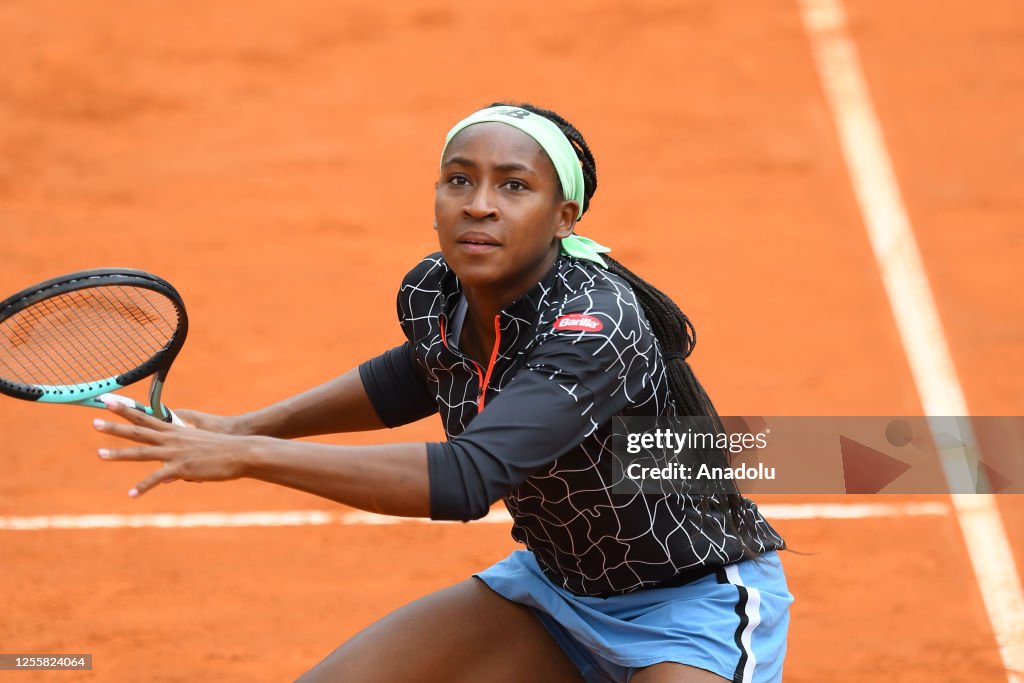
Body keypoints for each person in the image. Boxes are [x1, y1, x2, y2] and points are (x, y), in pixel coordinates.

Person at [94, 102, 793, 682]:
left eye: (513, 186)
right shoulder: (435, 288)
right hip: (555, 593)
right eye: (459, 180)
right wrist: (244, 426)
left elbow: (465, 479)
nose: (479, 206)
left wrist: (248, 457)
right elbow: (418, 371)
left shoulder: (595, 324)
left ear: (565, 216)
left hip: (687, 604)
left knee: (861, 453)